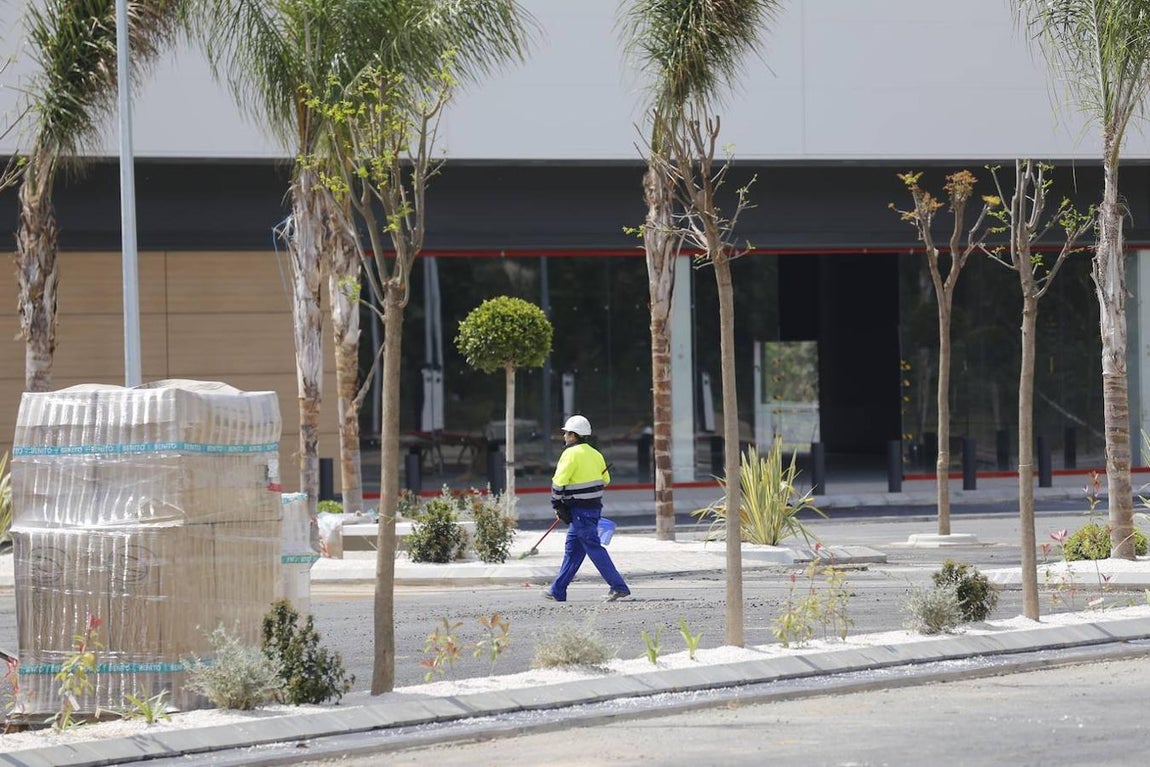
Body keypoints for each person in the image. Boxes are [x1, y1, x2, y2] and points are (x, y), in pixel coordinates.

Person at [544, 415, 631, 602]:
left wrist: (557, 505)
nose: (565, 436)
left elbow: (558, 482)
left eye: (567, 433)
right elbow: (605, 480)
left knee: (592, 547)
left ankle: (619, 586)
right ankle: (557, 590)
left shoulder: (569, 454)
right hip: (592, 510)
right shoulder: (596, 454)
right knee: (573, 550)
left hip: (579, 512)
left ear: (574, 435)